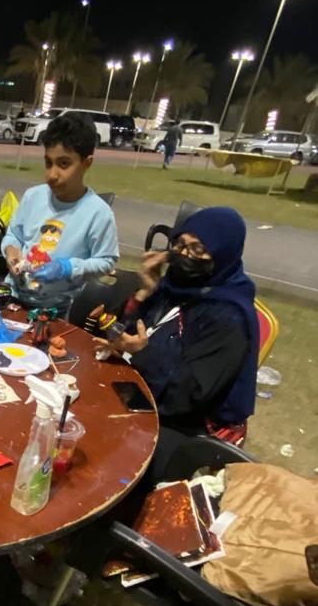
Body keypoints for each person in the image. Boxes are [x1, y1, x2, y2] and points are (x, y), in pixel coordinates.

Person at [99, 206, 259, 481]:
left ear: (222, 255)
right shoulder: (173, 287)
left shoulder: (229, 317)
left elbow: (189, 395)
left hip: (186, 425)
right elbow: (124, 331)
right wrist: (145, 291)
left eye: (198, 249)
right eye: (180, 244)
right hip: (142, 392)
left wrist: (144, 353)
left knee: (110, 455)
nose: (185, 255)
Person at [1, 112, 119, 315]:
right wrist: (11, 250)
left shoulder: (98, 213)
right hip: (14, 297)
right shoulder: (33, 197)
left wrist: (68, 268)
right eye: (48, 163)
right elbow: (14, 235)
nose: (52, 175)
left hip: (57, 310)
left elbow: (106, 261)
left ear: (87, 163)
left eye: (63, 164)